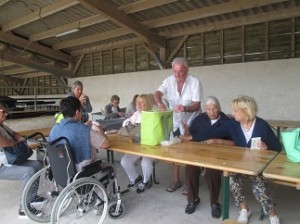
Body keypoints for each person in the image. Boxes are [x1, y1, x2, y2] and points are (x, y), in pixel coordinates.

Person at [204, 95, 281, 224]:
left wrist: (267, 146)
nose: (232, 113)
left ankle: (272, 214)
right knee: (233, 182)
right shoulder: (233, 124)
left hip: (260, 167)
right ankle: (245, 209)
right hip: (241, 165)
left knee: (259, 190)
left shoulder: (262, 125)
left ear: (245, 111)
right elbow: (212, 132)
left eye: (235, 111)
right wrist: (190, 137)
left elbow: (278, 147)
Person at [153, 57, 204, 193]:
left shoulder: (194, 82)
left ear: (186, 70)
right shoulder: (169, 80)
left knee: (191, 154)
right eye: (175, 72)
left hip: (192, 121)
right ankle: (176, 180)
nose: (177, 75)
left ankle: (191, 182)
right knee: (175, 151)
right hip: (176, 123)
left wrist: (185, 108)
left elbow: (197, 105)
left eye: (180, 72)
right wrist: (160, 102)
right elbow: (157, 94)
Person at [180, 96, 234, 217]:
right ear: (205, 109)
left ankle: (214, 202)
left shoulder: (226, 121)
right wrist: (187, 131)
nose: (211, 112)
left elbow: (234, 143)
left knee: (212, 171)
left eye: (214, 109)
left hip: (218, 156)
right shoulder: (199, 119)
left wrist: (218, 141)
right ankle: (192, 199)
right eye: (208, 109)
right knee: (190, 167)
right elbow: (190, 138)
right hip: (199, 153)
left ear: (219, 108)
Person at [0, 103, 46, 217]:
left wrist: (18, 137)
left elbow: (13, 133)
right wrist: (14, 143)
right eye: (3, 112)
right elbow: (2, 142)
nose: (6, 114)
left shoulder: (2, 125)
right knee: (28, 172)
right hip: (2, 165)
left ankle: (32, 197)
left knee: (37, 165)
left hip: (10, 160)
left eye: (6, 112)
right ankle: (24, 208)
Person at [49, 96, 109, 172]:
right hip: (81, 170)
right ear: (77, 112)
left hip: (61, 169)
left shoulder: (54, 129)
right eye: (81, 111)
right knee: (109, 166)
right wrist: (100, 129)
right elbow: (105, 144)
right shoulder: (83, 130)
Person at [120, 94, 155, 193]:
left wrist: (138, 126)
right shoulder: (137, 114)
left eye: (141, 102)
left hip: (152, 146)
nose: (138, 104)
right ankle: (135, 179)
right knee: (125, 161)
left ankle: (145, 181)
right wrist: (131, 124)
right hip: (138, 144)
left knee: (145, 163)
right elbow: (125, 123)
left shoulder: (153, 114)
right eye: (137, 102)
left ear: (147, 103)